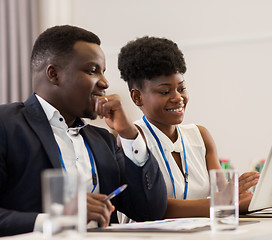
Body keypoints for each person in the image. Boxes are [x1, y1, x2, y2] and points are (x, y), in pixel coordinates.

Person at [0, 25, 167, 236]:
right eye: (92, 71)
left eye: (103, 72)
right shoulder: (6, 124)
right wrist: (58, 219)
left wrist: (129, 134)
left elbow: (150, 210)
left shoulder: (103, 140)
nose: (105, 82)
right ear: (54, 74)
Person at [117, 36, 272, 218]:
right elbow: (154, 208)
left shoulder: (199, 136)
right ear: (137, 97)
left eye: (181, 88)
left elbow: (225, 201)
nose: (178, 97)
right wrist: (229, 200)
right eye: (165, 91)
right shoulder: (132, 139)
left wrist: (270, 198)